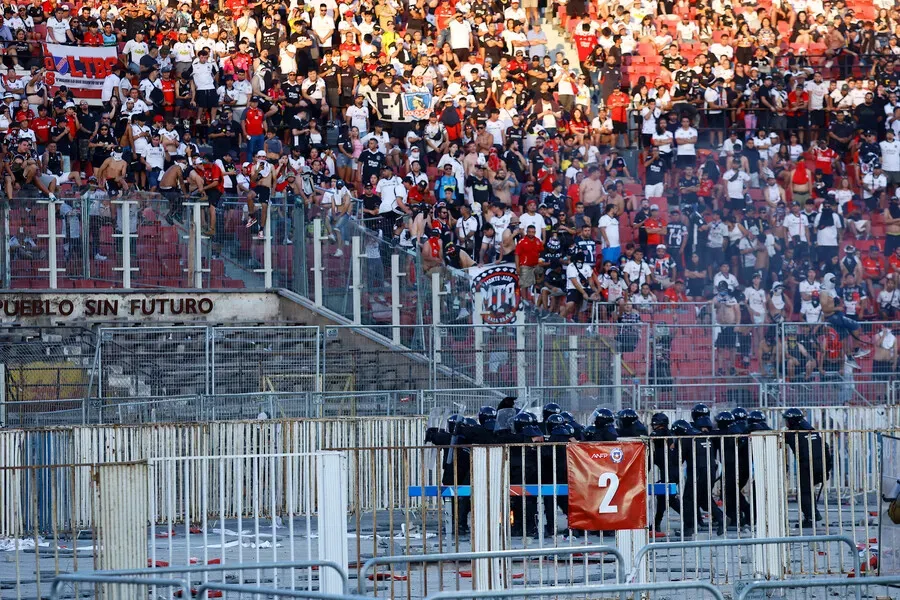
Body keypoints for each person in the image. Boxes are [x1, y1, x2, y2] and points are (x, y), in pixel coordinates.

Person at [672, 419, 725, 536]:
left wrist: (674, 447)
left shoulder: (686, 439)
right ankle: (721, 518)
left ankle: (688, 528)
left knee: (688, 500)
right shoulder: (703, 437)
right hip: (711, 471)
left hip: (698, 472)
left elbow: (677, 460)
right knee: (704, 498)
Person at [783, 408, 833, 528]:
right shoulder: (812, 431)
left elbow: (779, 438)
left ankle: (811, 517)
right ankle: (813, 514)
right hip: (821, 466)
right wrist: (827, 468)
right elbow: (825, 447)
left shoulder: (793, 433)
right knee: (809, 491)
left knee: (803, 493)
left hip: (807, 466)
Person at [649, 412, 681, 536]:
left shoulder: (663, 433)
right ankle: (656, 524)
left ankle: (690, 520)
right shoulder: (668, 434)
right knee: (662, 498)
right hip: (669, 472)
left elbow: (655, 435)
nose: (654, 426)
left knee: (670, 499)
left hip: (670, 473)